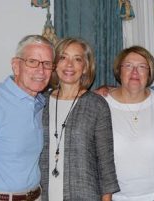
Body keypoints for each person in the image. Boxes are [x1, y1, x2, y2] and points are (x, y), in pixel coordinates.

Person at [0, 35, 55, 201]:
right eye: (32, 61)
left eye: (47, 64)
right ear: (16, 66)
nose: (41, 70)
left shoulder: (41, 103)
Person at [39, 37, 120, 201]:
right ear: (54, 64)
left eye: (77, 59)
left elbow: (105, 162)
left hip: (84, 194)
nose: (69, 64)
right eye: (63, 57)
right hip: (44, 194)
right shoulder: (40, 103)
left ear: (85, 67)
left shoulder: (96, 105)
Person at [104, 46, 154, 201]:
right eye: (128, 66)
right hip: (115, 197)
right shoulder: (102, 104)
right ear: (119, 71)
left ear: (149, 73)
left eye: (142, 67)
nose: (135, 72)